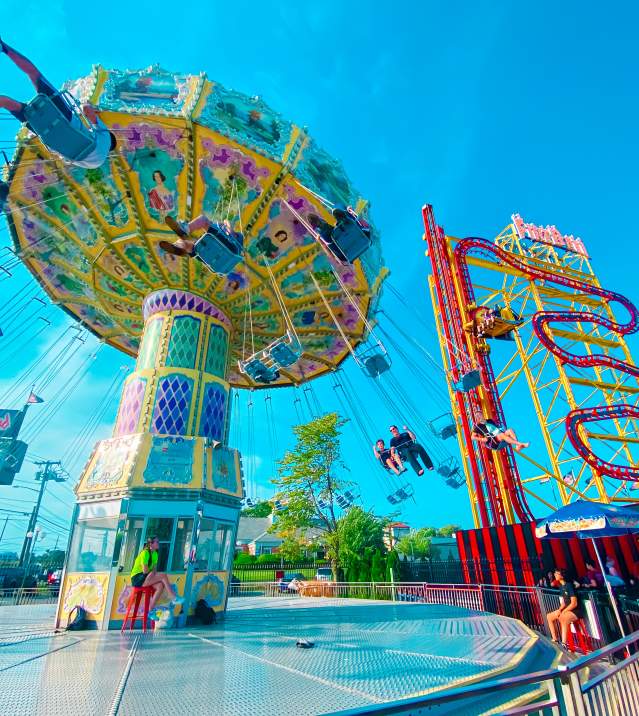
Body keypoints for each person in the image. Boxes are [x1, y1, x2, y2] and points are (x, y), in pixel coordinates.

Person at [0, 38, 116, 168]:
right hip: (47, 135)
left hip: (65, 119)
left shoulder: (105, 138)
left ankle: (3, 47)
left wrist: (88, 105)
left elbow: (86, 109)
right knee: (6, 102)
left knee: (35, 75)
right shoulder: (91, 164)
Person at [130, 535, 181, 611]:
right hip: (137, 579)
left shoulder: (155, 554)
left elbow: (154, 570)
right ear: (151, 544)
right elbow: (145, 571)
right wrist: (153, 574)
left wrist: (153, 574)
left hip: (146, 578)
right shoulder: (145, 553)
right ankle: (172, 596)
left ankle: (150, 610)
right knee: (163, 575)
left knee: (160, 586)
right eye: (157, 542)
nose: (158, 543)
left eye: (158, 542)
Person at [161, 215, 243, 258]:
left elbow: (227, 223)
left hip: (221, 242)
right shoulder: (237, 250)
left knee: (203, 220)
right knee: (193, 244)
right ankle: (179, 246)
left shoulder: (236, 243)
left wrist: (225, 223)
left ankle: (185, 232)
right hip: (213, 250)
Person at [546, 567, 581, 647]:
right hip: (566, 609)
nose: (554, 575)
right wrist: (560, 610)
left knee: (563, 618)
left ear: (562, 576)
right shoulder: (561, 587)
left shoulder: (569, 585)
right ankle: (555, 639)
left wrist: (564, 611)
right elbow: (564, 603)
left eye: (556, 573)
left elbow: (574, 603)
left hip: (575, 610)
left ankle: (564, 644)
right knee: (549, 616)